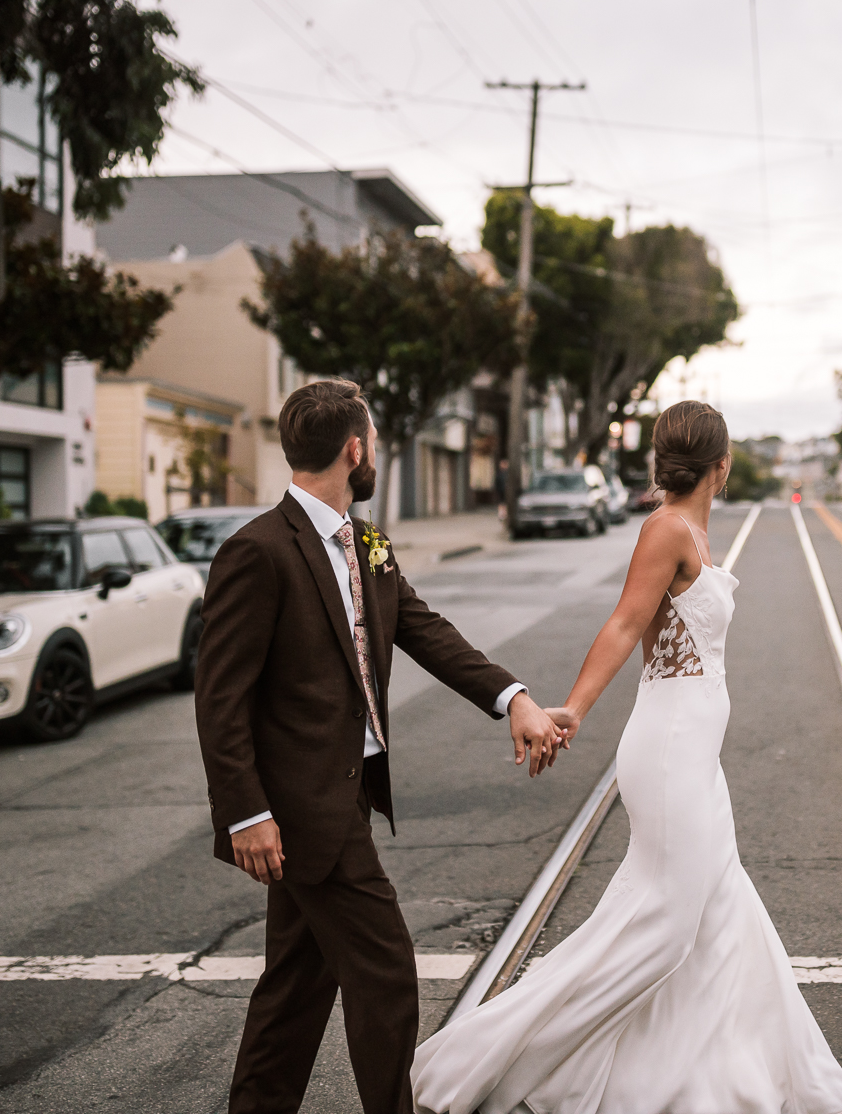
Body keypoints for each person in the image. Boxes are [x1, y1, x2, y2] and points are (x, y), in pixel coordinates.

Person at [411, 400, 842, 1114]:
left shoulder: (691, 532)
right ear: (722, 466)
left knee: (719, 912)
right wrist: (574, 711)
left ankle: (719, 1076)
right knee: (666, 922)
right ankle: (494, 1059)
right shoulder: (664, 529)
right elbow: (624, 624)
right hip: (669, 750)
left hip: (695, 752)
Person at [193, 378, 567, 1114]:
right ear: (354, 448)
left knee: (295, 987)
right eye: (373, 446)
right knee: (387, 974)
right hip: (301, 809)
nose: (374, 457)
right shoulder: (258, 552)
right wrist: (245, 813)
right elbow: (220, 697)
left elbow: (425, 632)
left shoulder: (365, 543)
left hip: (348, 793)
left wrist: (512, 697)